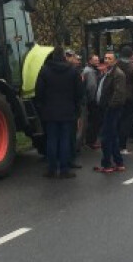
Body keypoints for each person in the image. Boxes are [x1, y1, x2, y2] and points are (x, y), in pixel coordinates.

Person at [34, 47, 83, 179]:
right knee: (65, 140)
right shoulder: (72, 71)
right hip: (68, 111)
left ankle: (51, 168)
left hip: (49, 112)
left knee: (51, 140)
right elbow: (79, 92)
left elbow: (39, 92)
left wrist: (42, 107)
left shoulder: (44, 70)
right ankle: (64, 169)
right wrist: (77, 109)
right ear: (63, 56)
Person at [94, 50, 127, 173]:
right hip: (106, 109)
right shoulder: (107, 73)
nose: (106, 60)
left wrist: (109, 107)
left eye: (109, 58)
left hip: (111, 110)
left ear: (115, 61)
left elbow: (118, 94)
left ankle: (107, 164)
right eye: (106, 58)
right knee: (112, 137)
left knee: (106, 137)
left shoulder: (118, 74)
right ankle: (119, 162)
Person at [64, 49, 84, 168]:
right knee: (70, 135)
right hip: (70, 108)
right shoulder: (73, 72)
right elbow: (79, 92)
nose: (76, 60)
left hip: (59, 109)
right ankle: (70, 160)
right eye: (74, 57)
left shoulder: (48, 70)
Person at [81, 54, 102, 149]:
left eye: (98, 60)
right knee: (94, 121)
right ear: (90, 61)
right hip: (93, 100)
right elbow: (92, 87)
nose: (97, 62)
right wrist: (94, 99)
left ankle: (89, 140)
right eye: (95, 60)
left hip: (89, 100)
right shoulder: (90, 72)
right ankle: (91, 141)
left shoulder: (88, 70)